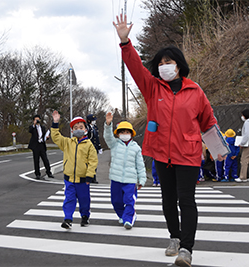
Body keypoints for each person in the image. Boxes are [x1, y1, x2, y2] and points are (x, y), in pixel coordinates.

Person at [113, 14, 226, 267]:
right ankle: (174, 237)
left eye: (169, 62)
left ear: (179, 65)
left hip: (187, 153)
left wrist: (218, 149)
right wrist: (125, 42)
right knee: (167, 200)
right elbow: (135, 68)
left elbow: (208, 122)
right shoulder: (153, 87)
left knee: (186, 200)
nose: (165, 66)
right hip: (162, 154)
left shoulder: (195, 91)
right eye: (161, 63)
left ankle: (186, 248)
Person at [50, 111, 98, 229]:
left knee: (84, 200)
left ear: (85, 129)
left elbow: (93, 161)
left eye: (80, 127)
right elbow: (56, 137)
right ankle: (68, 218)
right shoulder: (67, 143)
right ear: (72, 131)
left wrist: (89, 175)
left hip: (83, 179)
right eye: (75, 128)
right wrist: (55, 123)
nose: (78, 129)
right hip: (69, 178)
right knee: (69, 199)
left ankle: (85, 216)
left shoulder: (89, 145)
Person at [104, 112, 146, 229]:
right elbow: (107, 137)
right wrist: (108, 124)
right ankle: (123, 215)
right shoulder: (114, 144)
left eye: (127, 132)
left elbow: (140, 165)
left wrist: (142, 179)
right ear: (118, 134)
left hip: (130, 180)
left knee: (129, 200)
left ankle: (128, 218)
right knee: (116, 201)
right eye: (122, 132)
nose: (124, 134)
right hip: (116, 179)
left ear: (131, 134)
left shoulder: (136, 148)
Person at [235, 109, 249, 182]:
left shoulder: (247, 123)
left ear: (245, 116)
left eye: (242, 115)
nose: (242, 117)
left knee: (244, 160)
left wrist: (242, 143)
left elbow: (246, 134)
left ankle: (242, 177)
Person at [28, 115, 54, 180]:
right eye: (36, 120)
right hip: (35, 146)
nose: (37, 121)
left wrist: (47, 137)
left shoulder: (42, 127)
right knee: (36, 161)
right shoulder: (32, 127)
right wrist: (34, 124)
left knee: (45, 160)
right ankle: (37, 174)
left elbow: (44, 136)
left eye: (38, 119)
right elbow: (30, 130)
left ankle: (49, 172)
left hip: (42, 145)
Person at [86, 114, 102, 183]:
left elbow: (97, 138)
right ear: (89, 121)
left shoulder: (95, 127)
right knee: (88, 163)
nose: (94, 122)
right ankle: (87, 177)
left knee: (94, 163)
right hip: (88, 148)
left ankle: (93, 178)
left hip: (94, 147)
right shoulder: (86, 127)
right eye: (93, 120)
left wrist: (99, 147)